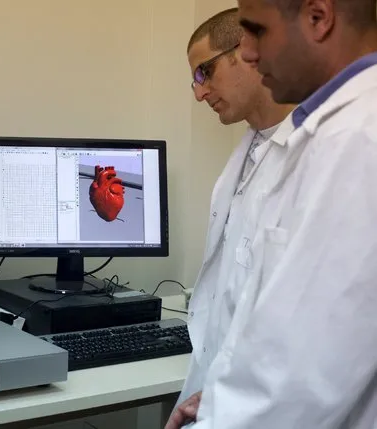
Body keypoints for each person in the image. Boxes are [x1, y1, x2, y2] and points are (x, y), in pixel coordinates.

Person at [168, 0, 377, 427]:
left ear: (319, 19)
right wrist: (221, 395)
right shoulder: (314, 134)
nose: (249, 51)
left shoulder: (358, 138)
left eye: (257, 30)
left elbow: (308, 369)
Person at [165, 8, 295, 429]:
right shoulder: (246, 156)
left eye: (205, 73)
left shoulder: (312, 156)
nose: (199, 93)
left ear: (247, 51)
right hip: (227, 396)